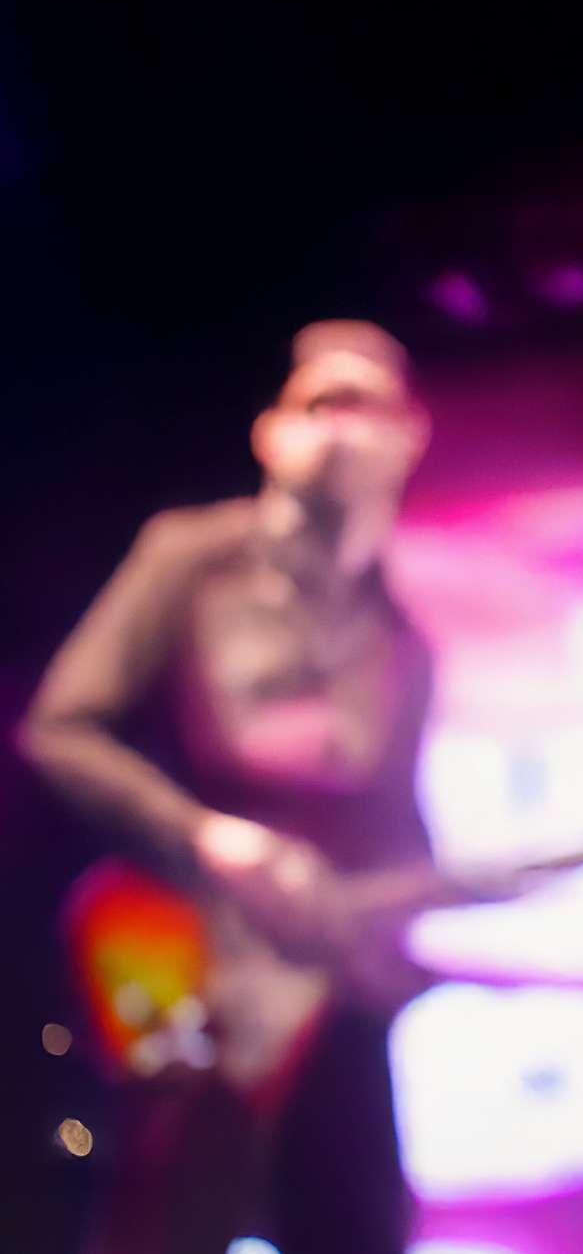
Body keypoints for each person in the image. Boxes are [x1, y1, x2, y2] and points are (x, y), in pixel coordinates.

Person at [19, 320, 481, 1254]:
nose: (344, 429)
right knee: (167, 1207)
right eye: (320, 403)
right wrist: (203, 837)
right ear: (270, 432)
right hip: (172, 948)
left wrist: (414, 918)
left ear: (410, 436)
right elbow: (60, 728)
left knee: (358, 1215)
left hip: (320, 986)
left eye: (368, 406)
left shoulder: (404, 641)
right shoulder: (191, 558)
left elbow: (399, 832)